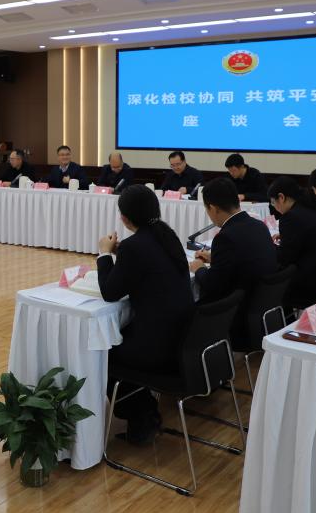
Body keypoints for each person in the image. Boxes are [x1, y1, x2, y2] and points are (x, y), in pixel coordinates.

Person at [96, 185, 194, 443]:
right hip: (184, 339)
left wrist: (104, 253)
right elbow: (146, 263)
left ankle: (142, 415)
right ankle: (144, 410)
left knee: (101, 351)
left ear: (125, 217)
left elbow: (109, 292)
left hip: (158, 349)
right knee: (118, 339)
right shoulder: (166, 235)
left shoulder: (134, 246)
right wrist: (120, 254)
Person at [189, 178, 276, 344]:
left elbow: (213, 285)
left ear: (212, 208)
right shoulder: (258, 225)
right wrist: (216, 258)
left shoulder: (226, 237)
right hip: (261, 306)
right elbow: (243, 258)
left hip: (236, 313)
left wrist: (199, 268)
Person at [269, 176, 316, 310]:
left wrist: (268, 246)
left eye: (273, 203)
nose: (275, 208)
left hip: (310, 285)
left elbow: (285, 258)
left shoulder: (291, 217)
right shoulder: (315, 208)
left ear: (281, 197)